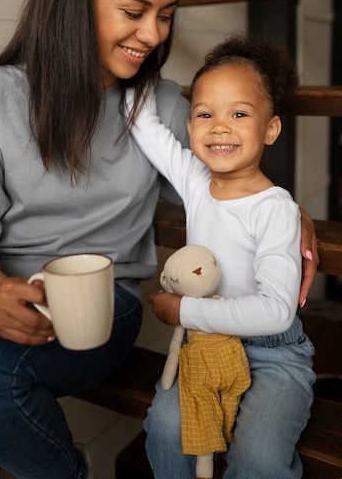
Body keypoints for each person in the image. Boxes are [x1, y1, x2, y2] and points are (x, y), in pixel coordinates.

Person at [0, 0, 316, 479]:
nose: (153, 34)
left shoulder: (159, 107)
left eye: (165, 14)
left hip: (103, 306)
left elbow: (230, 172)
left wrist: (292, 216)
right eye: (134, 11)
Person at [125, 33, 316, 479]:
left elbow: (275, 311)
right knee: (166, 430)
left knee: (259, 460)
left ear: (270, 128)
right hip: (204, 347)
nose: (220, 126)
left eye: (240, 114)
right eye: (205, 114)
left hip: (274, 355)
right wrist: (144, 58)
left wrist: (183, 309)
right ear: (190, 127)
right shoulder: (195, 180)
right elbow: (142, 125)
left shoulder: (276, 210)